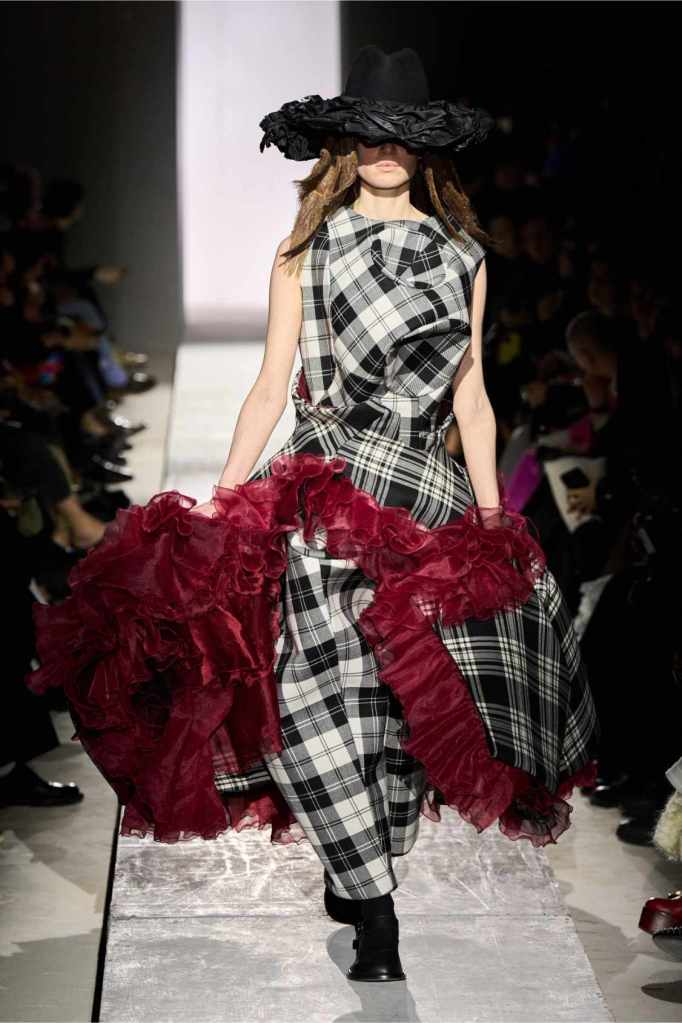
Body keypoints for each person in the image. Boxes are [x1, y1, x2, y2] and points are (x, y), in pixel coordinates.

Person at [24, 46, 600, 983]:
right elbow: (270, 384)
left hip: (424, 499)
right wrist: (224, 497)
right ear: (345, 143)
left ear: (425, 149)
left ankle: (367, 857)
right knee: (313, 692)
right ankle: (374, 909)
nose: (384, 151)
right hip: (323, 494)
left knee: (405, 710)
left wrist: (496, 521)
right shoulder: (308, 248)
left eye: (401, 136)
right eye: (369, 134)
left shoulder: (463, 255)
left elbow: (472, 395)